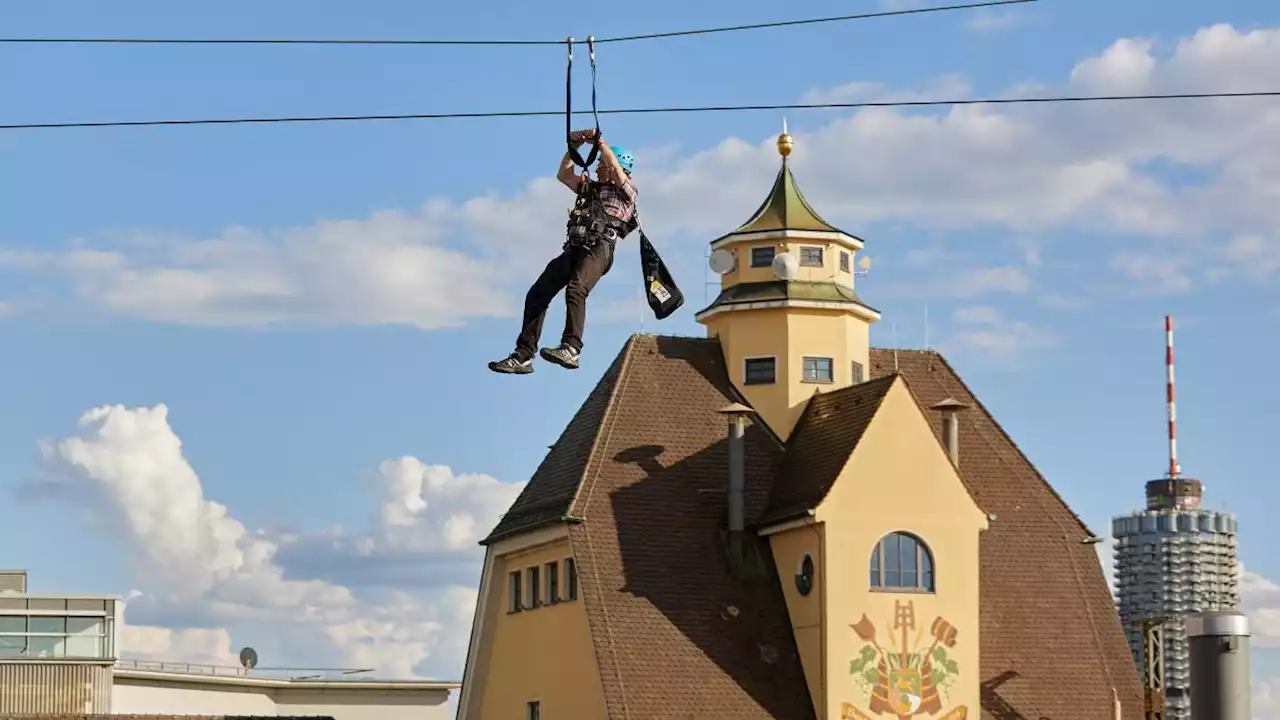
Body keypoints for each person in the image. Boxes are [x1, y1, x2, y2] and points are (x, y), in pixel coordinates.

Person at [488, 128, 638, 375]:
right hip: (575, 249)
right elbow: (564, 174)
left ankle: (571, 348)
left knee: (576, 288)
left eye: (602, 164)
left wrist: (600, 143)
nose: (599, 167)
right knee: (537, 293)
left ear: (615, 169)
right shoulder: (590, 189)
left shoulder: (626, 192)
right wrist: (574, 145)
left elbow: (613, 164)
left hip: (599, 250)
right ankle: (523, 355)